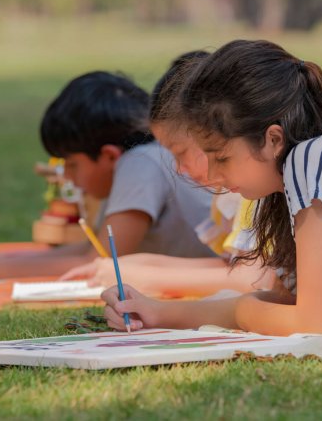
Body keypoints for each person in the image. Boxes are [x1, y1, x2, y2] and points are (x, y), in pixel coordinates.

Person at [101, 39, 322, 335]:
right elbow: (284, 301)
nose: (212, 175)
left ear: (273, 140)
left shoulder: (316, 160)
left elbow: (318, 325)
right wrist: (155, 312)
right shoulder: (284, 186)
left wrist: (241, 311)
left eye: (222, 158)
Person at [0, 71, 214, 284]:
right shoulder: (138, 160)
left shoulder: (140, 163)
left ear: (108, 156)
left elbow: (101, 259)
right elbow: (90, 246)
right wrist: (3, 260)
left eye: (71, 165)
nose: (67, 177)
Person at [60, 52, 275, 297]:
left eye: (180, 152)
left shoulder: (256, 191)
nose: (178, 168)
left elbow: (257, 278)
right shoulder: (237, 194)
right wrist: (142, 265)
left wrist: (150, 278)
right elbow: (233, 266)